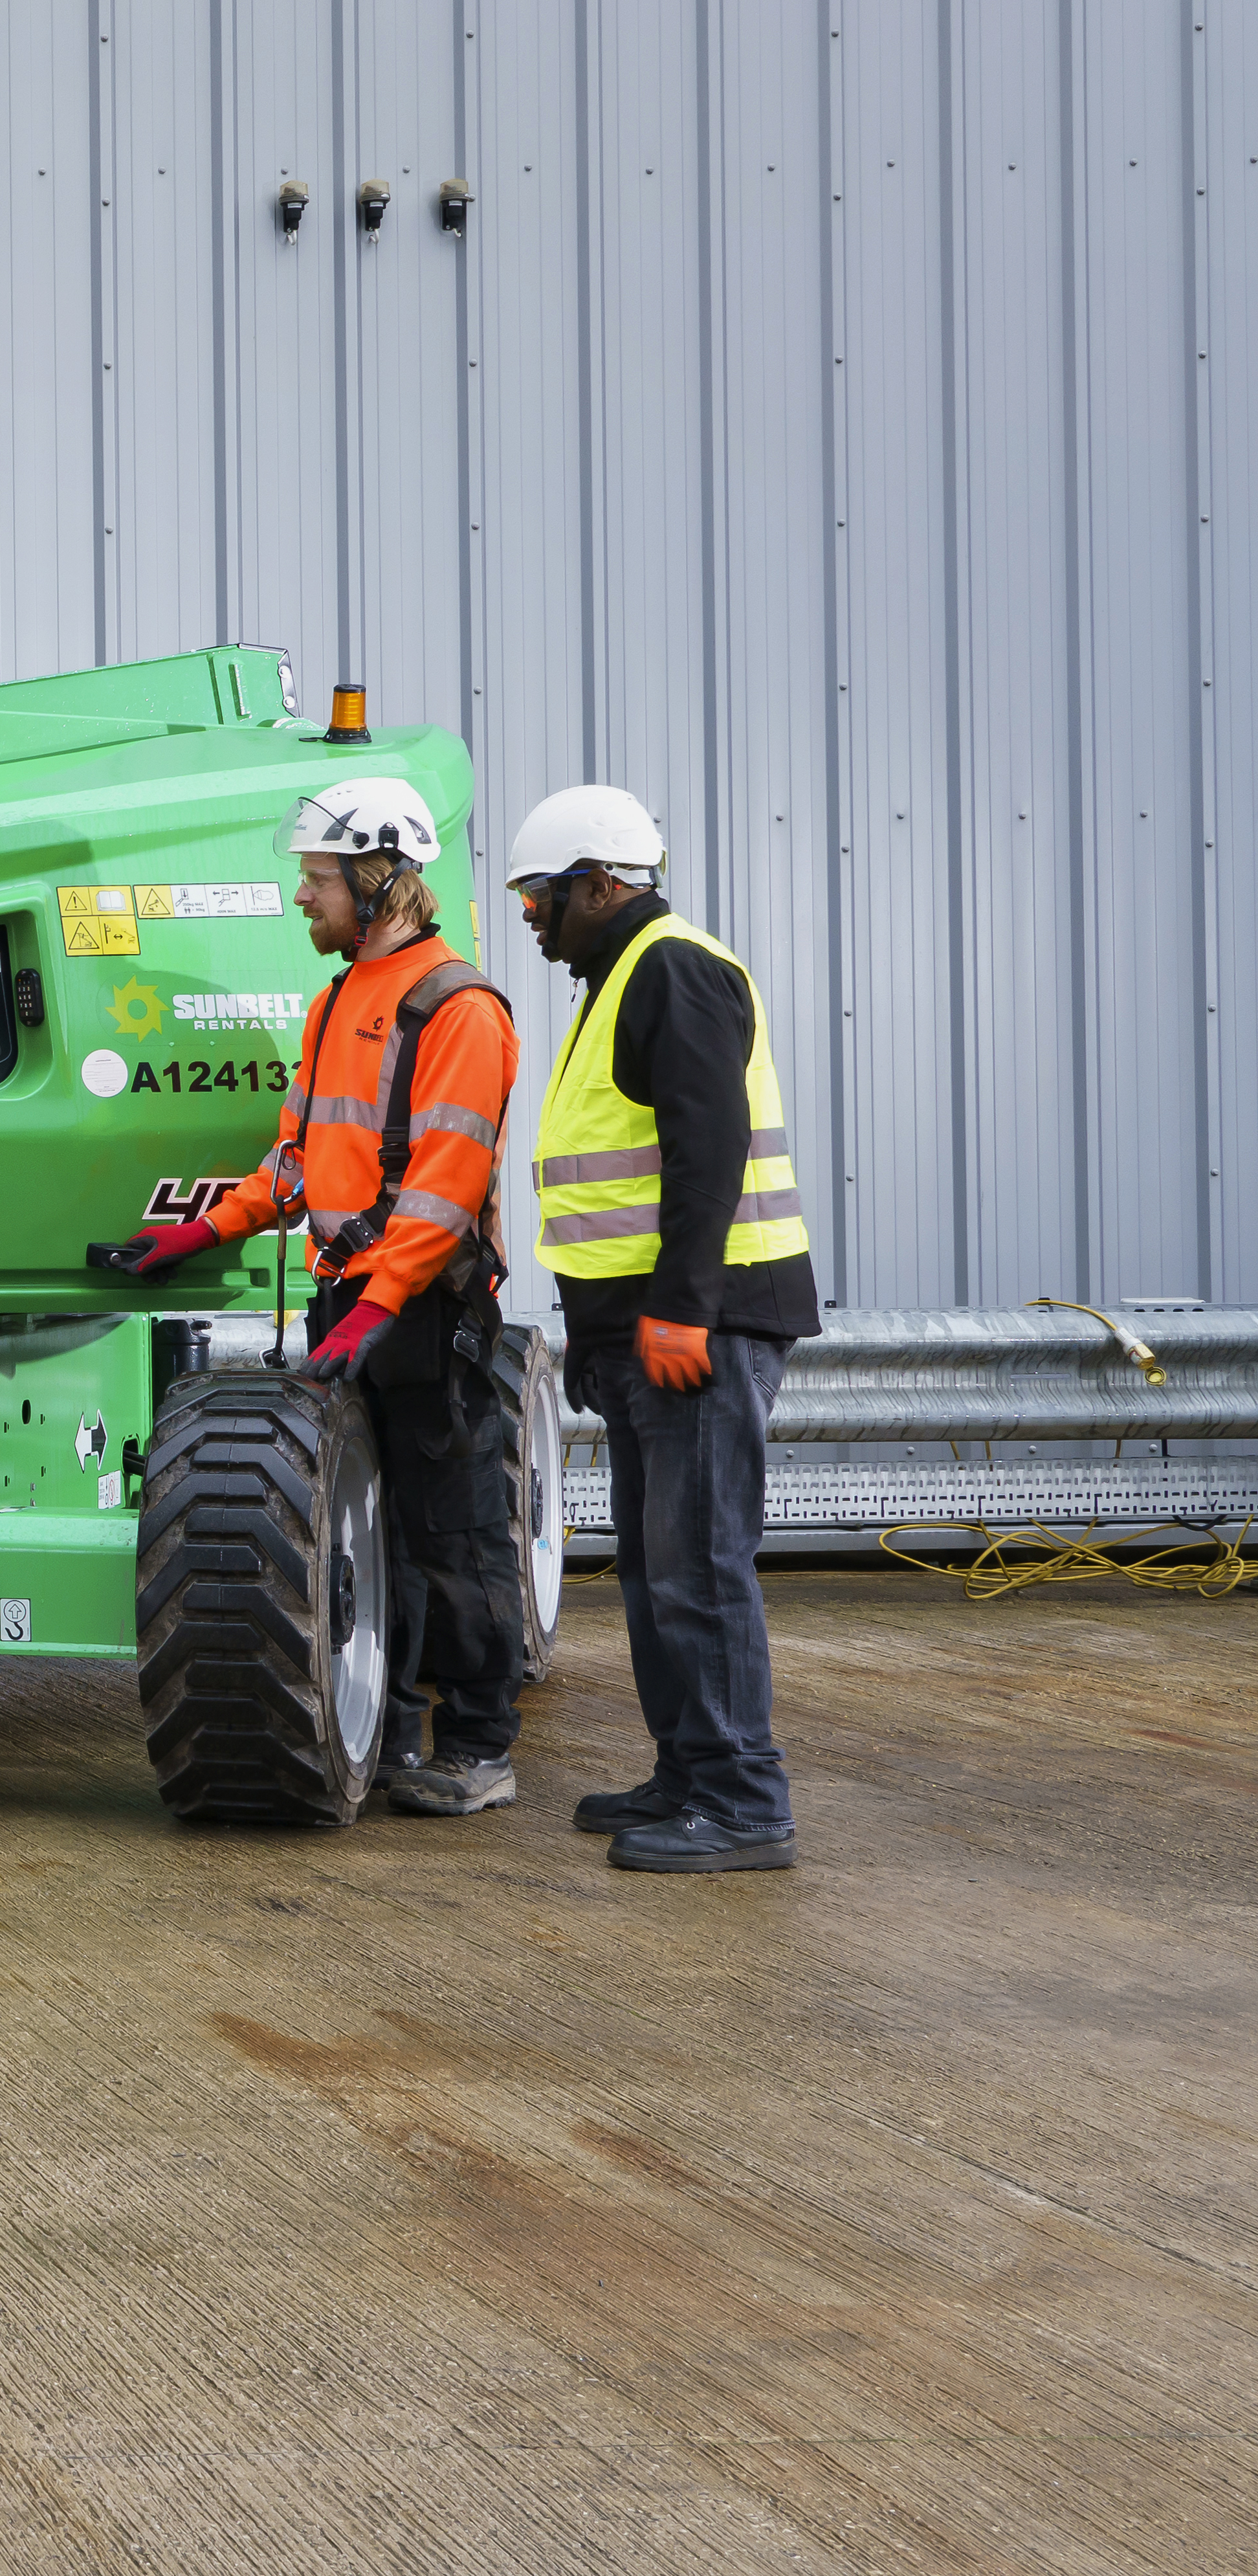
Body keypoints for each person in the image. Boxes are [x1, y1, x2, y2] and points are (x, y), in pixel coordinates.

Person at [91, 778, 531, 1815]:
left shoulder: (458, 1008)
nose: (301, 896)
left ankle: (479, 1748)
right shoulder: (335, 1002)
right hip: (355, 1306)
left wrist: (382, 1306)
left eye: (318, 877)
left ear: (382, 879)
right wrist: (206, 1228)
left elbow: (447, 1179)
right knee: (372, 1527)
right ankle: (399, 1732)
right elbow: (298, 1162)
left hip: (423, 1310)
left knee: (453, 1528)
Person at [500, 784, 819, 1874]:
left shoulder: (674, 967)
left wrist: (681, 1310)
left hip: (704, 1325)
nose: (532, 916)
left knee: (701, 1563)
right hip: (646, 1334)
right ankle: (688, 1769)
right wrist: (598, 1339)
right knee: (653, 1564)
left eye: (543, 895)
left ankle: (741, 1800)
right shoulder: (616, 975)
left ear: (602, 884)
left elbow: (708, 1150)